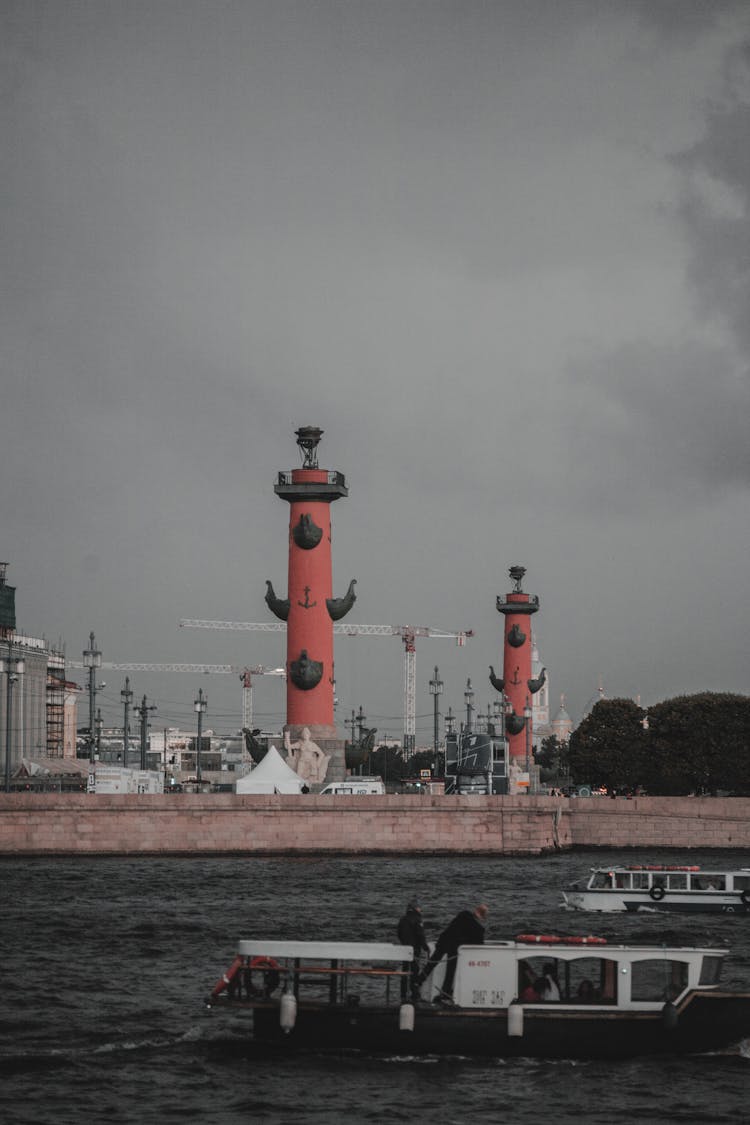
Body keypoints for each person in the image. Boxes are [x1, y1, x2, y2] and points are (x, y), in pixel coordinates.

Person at [413, 903, 488, 1004]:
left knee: (432, 963)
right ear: (482, 916)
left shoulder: (463, 914)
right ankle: (445, 992)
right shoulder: (478, 929)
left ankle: (418, 981)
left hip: (443, 941)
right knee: (450, 971)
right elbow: (479, 942)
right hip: (454, 947)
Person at [397, 898, 429, 999]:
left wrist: (404, 943)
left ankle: (403, 993)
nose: (420, 909)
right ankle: (414, 993)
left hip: (405, 949)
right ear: (415, 908)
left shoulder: (403, 919)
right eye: (419, 907)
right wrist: (425, 947)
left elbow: (399, 933)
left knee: (405, 971)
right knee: (414, 972)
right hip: (415, 949)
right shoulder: (418, 919)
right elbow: (420, 935)